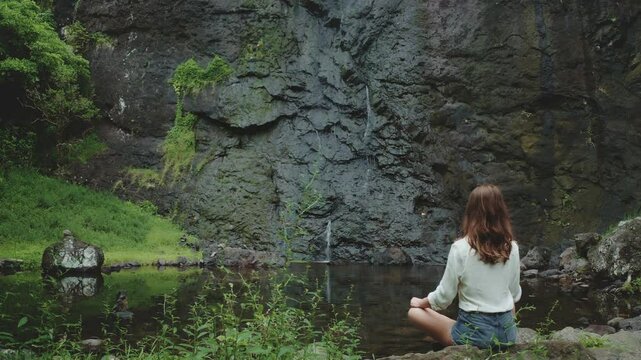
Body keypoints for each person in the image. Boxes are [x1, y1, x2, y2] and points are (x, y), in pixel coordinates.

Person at [407, 184, 521, 349]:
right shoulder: (512, 247)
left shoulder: (460, 248)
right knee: (506, 303)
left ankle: (474, 338)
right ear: (501, 211)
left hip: (475, 335)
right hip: (506, 334)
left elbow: (444, 297)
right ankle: (503, 339)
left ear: (471, 212)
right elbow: (514, 294)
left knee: (414, 313)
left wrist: (421, 302)